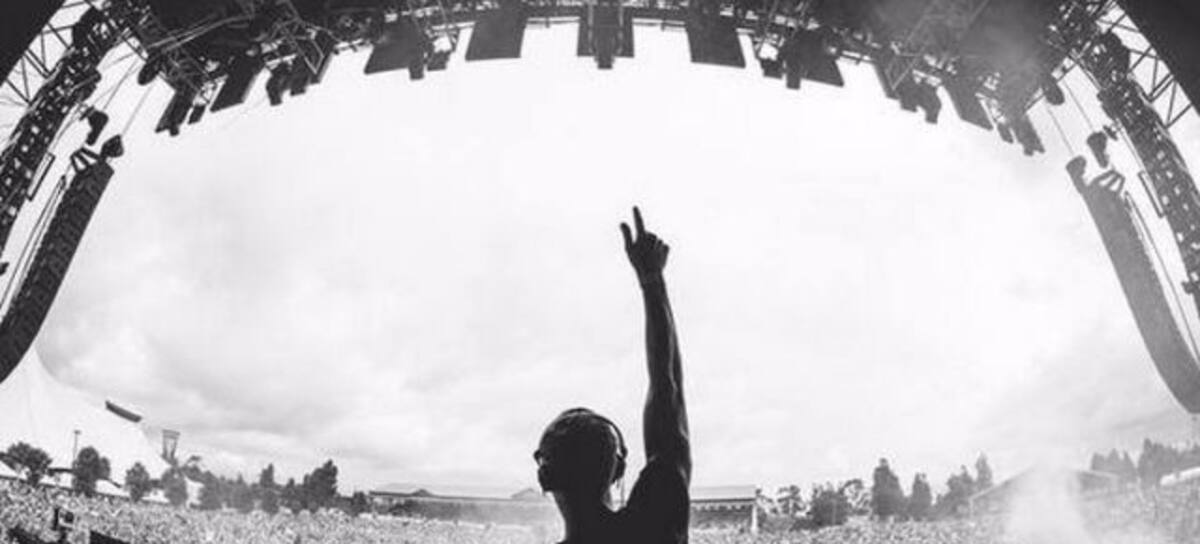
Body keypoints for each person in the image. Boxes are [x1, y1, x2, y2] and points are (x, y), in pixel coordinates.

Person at [533, 207, 691, 544]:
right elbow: (668, 390)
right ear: (618, 470)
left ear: (544, 476)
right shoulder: (655, 529)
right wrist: (652, 281)